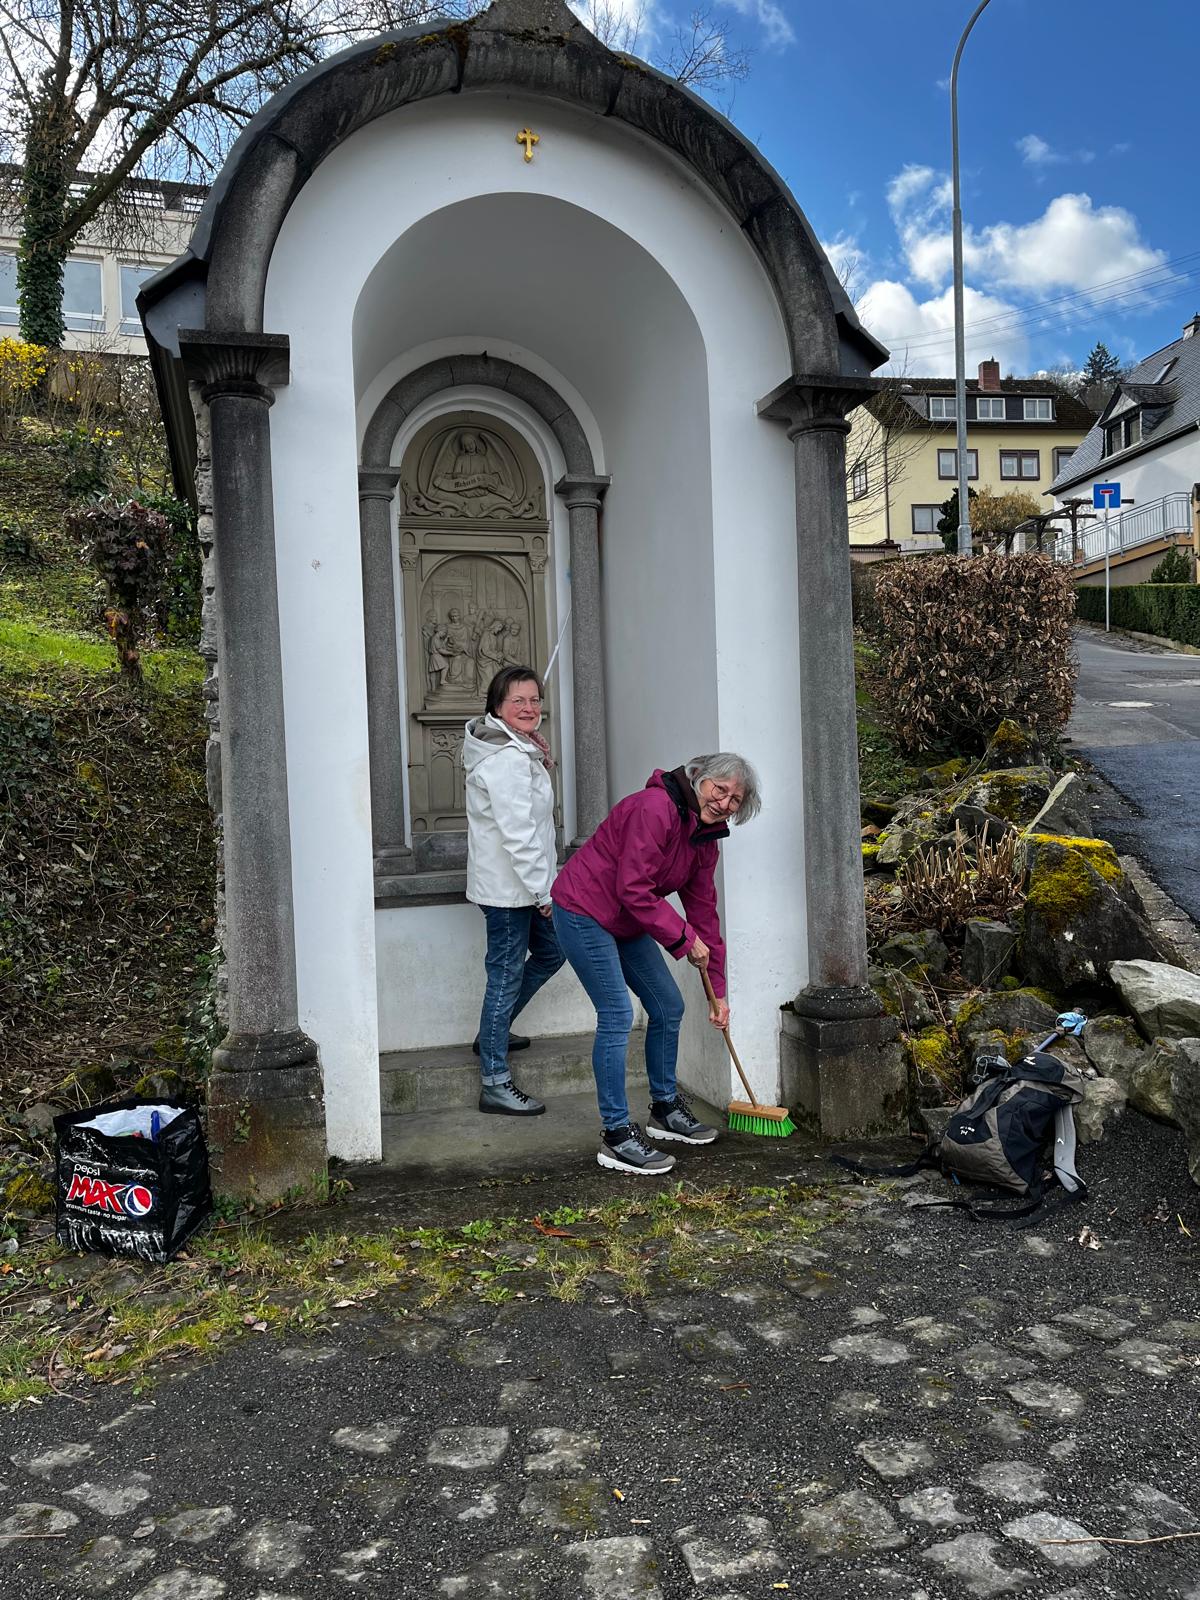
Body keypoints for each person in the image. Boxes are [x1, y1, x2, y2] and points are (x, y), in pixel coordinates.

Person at [551, 754, 761, 1175]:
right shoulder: (655, 808)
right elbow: (633, 887)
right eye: (719, 790)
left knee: (668, 1005)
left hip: (628, 919)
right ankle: (615, 1136)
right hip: (583, 909)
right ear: (698, 779)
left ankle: (665, 1110)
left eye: (735, 800)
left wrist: (718, 993)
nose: (723, 803)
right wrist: (684, 940)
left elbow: (704, 914)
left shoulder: (704, 839)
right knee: (616, 1013)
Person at [464, 665, 565, 1115]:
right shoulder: (505, 758)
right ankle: (495, 1082)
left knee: (553, 950)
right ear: (497, 709)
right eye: (518, 701)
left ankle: (493, 1031)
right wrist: (545, 892)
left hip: (520, 884)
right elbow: (519, 834)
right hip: (511, 890)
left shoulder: (520, 747)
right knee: (505, 974)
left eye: (535, 700)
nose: (529, 708)